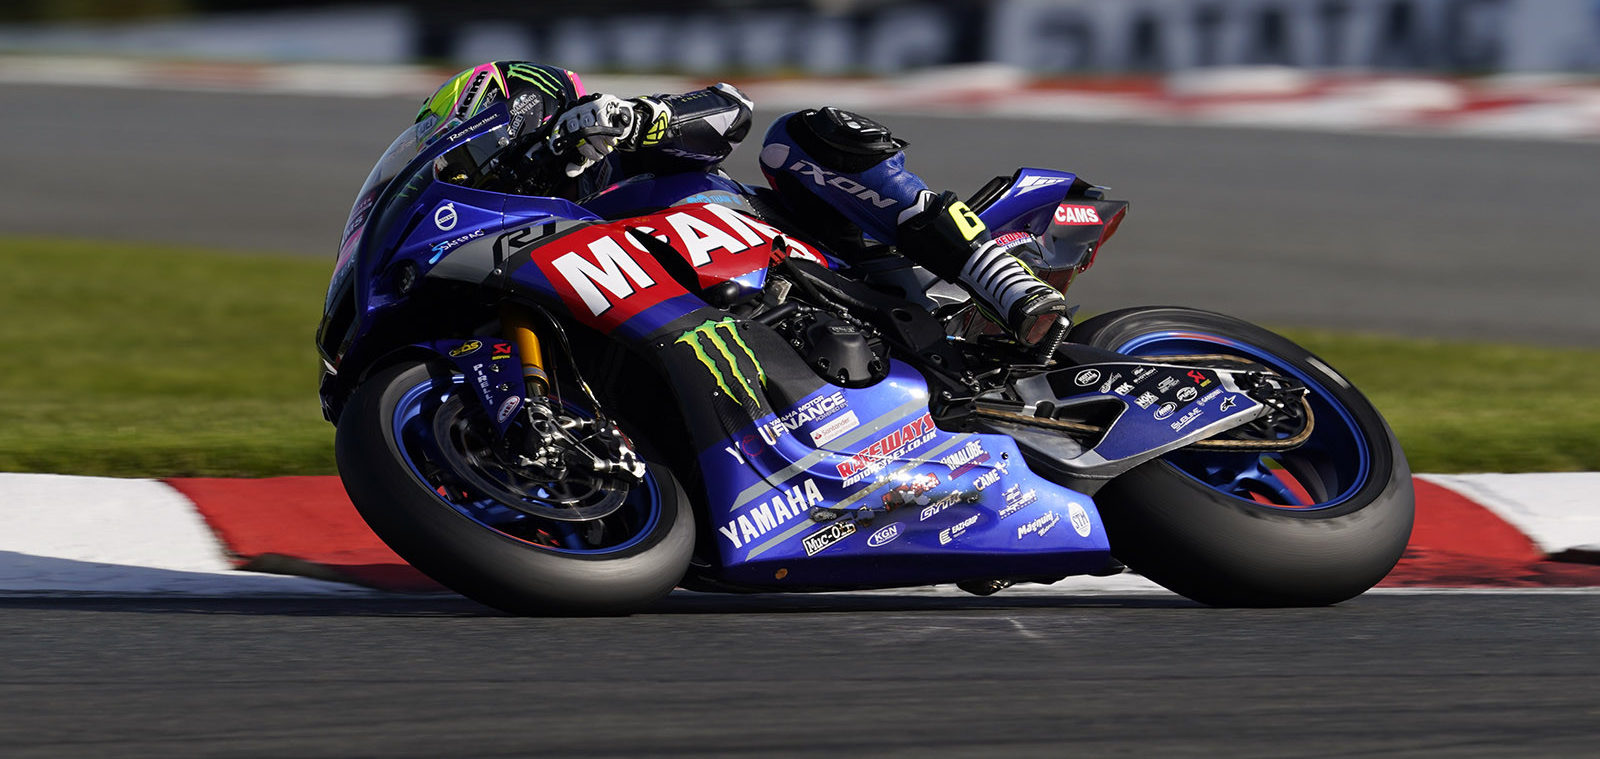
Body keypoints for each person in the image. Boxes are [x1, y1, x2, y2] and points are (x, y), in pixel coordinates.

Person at [417, 61, 1067, 344]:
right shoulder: (522, 250)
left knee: (800, 138)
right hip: (713, 336)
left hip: (816, 265)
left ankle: (999, 279)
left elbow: (732, 111)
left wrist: (635, 121)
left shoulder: (611, 153)